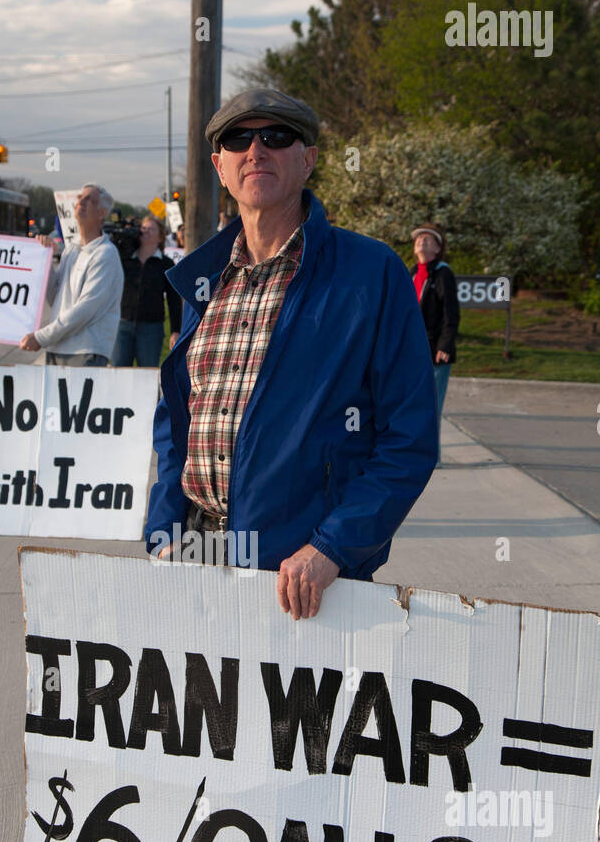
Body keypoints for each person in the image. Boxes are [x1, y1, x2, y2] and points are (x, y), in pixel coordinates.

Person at [145, 87, 438, 620]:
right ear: (219, 166)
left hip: (304, 578)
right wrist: (163, 532)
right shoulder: (202, 280)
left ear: (308, 161)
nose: (256, 150)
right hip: (196, 556)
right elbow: (176, 423)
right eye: (238, 139)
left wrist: (333, 548)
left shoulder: (370, 274)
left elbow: (410, 438)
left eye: (276, 137)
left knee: (291, 708)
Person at [19, 184, 122, 367]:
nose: (81, 202)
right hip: (57, 348)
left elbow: (85, 310)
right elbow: (55, 297)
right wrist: (46, 257)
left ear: (102, 213)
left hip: (85, 351)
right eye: (80, 197)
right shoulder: (71, 251)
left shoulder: (105, 254)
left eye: (90, 200)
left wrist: (41, 337)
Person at [111, 214, 182, 368]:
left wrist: (176, 330)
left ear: (160, 237)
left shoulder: (166, 264)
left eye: (151, 229)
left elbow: (174, 300)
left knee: (147, 372)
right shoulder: (125, 259)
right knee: (118, 372)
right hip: (122, 324)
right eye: (143, 228)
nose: (146, 231)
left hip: (151, 328)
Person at [410, 223, 460, 417]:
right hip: (413, 349)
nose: (422, 240)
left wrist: (445, 345)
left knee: (431, 408)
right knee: (413, 407)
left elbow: (451, 312)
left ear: (438, 249)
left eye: (428, 238)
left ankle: (431, 448)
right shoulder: (412, 273)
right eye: (419, 238)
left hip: (434, 350)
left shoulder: (442, 273)